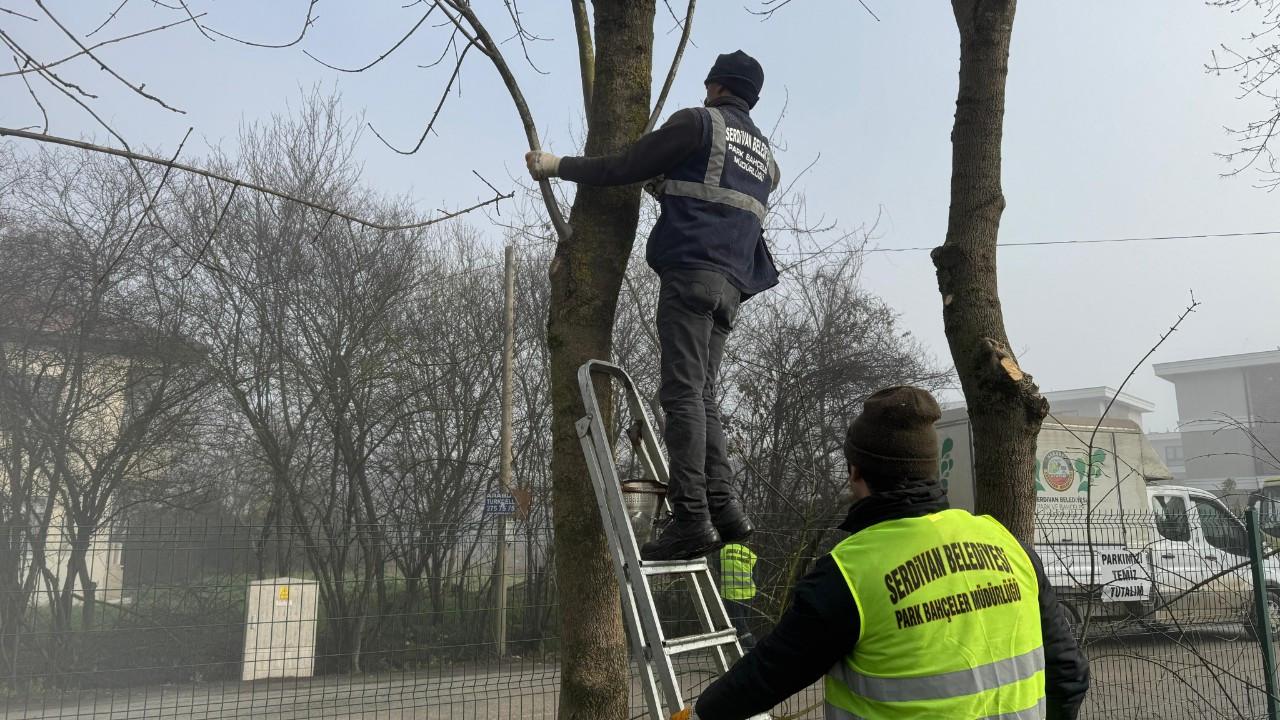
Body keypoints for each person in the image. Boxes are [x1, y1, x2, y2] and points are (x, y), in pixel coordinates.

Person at [695, 387, 1091, 720]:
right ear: (930, 469)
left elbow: (766, 676)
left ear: (855, 472)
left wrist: (697, 714)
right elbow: (1068, 673)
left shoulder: (850, 573)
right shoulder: (1007, 544)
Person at [525, 51, 780, 561]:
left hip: (691, 274)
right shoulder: (767, 160)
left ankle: (692, 518)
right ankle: (726, 509)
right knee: (703, 396)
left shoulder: (697, 122)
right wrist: (667, 187)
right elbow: (716, 196)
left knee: (683, 397)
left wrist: (558, 166)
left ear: (715, 86)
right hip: (731, 286)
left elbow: (624, 165)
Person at [719, 542, 758, 650]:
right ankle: (741, 657)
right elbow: (756, 578)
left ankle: (757, 652)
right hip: (749, 595)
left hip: (731, 595)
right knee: (741, 628)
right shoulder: (751, 554)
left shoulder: (723, 550)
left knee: (742, 630)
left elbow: (719, 569)